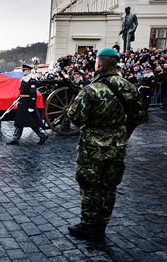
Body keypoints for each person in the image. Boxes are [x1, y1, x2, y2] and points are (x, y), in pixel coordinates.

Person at [67, 48, 145, 241]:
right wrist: (123, 133)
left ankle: (88, 225)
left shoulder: (91, 89)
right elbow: (139, 116)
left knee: (89, 187)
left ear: (99, 64)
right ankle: (101, 226)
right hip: (117, 146)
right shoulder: (129, 87)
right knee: (109, 187)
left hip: (92, 148)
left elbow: (75, 118)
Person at [6, 64, 48, 145]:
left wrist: (31, 106)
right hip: (23, 102)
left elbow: (33, 94)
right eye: (22, 70)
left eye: (24, 70)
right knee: (19, 122)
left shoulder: (32, 80)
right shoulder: (24, 79)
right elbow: (22, 92)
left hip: (28, 104)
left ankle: (42, 135)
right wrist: (17, 99)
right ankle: (15, 139)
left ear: (28, 70)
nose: (23, 72)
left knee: (32, 122)